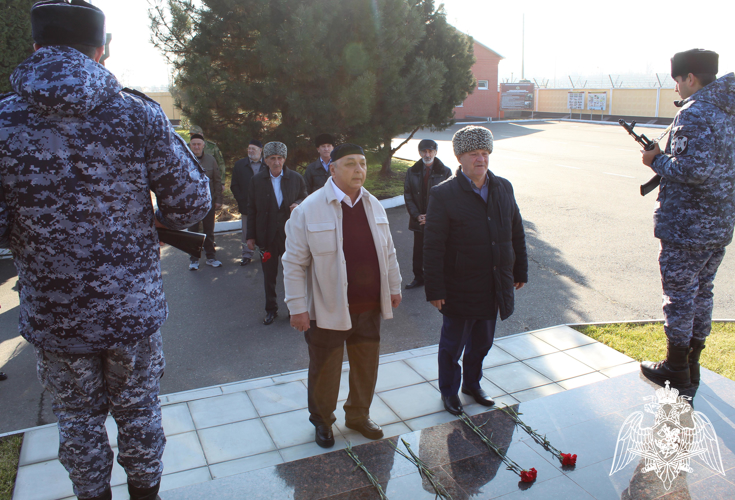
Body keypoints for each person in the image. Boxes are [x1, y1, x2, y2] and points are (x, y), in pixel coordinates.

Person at [0, 2, 212, 500]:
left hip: (55, 317)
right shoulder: (137, 113)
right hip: (130, 311)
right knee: (139, 413)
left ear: (35, 47)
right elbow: (191, 203)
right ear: (101, 49)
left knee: (76, 420)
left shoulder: (3, 121)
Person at [283, 143, 402, 448]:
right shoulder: (309, 209)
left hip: (369, 306)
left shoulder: (374, 204)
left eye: (362, 163)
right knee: (325, 369)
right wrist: (297, 307)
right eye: (350, 164)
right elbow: (293, 262)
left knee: (366, 365)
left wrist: (393, 286)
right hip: (327, 309)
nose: (359, 170)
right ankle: (323, 421)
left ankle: (358, 415)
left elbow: (388, 251)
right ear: (332, 168)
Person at [640, 49, 735, 388]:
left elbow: (692, 170)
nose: (677, 88)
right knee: (703, 293)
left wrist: (655, 161)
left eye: (678, 80)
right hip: (719, 224)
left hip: (687, 228)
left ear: (690, 78)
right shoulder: (728, 110)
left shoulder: (695, 113)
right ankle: (692, 364)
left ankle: (676, 368)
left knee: (680, 297)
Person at [424, 125, 528, 416]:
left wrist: (520, 269)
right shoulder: (444, 194)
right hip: (459, 285)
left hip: (494, 282)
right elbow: (433, 246)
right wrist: (435, 289)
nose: (480, 159)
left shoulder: (503, 187)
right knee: (452, 346)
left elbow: (515, 230)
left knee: (482, 343)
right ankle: (449, 392)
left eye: (485, 153)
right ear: (459, 157)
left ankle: (472, 384)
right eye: (473, 154)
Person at [247, 142, 307, 325]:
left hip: (290, 235)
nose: (276, 162)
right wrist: (250, 236)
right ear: (265, 160)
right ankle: (271, 309)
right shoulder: (257, 181)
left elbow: (306, 197)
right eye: (272, 158)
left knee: (293, 273)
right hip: (267, 236)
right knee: (269, 275)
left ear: (284, 159)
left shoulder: (295, 178)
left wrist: (298, 203)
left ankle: (294, 309)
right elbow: (251, 209)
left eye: (279, 158)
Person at [403, 139, 451, 289]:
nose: (427, 154)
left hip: (437, 221)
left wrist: (431, 217)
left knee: (438, 250)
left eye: (430, 151)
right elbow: (408, 195)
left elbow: (448, 197)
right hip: (418, 220)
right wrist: (417, 215)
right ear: (419, 153)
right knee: (418, 252)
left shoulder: (445, 171)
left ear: (436, 152)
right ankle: (419, 278)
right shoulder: (412, 171)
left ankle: (438, 280)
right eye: (424, 151)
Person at [188, 133, 223, 270]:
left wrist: (218, 199)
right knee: (193, 231)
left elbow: (217, 180)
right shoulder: (185, 159)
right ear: (190, 146)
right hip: (192, 204)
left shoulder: (211, 160)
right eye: (194, 144)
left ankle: (211, 257)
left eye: (199, 144)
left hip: (208, 202)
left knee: (209, 230)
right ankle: (194, 259)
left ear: (203, 145)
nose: (196, 146)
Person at [231, 139, 265, 265]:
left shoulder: (267, 164)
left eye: (253, 149)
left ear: (260, 150)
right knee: (246, 230)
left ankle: (264, 252)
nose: (250, 151)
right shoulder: (240, 165)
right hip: (246, 204)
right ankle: (246, 254)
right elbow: (234, 185)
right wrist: (241, 199)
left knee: (263, 228)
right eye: (249, 148)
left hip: (264, 205)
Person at [189, 124, 226, 192]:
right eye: (191, 134)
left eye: (195, 134)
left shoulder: (212, 147)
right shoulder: (187, 147)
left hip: (209, 181)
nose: (193, 136)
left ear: (201, 134)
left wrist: (222, 182)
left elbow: (220, 164)